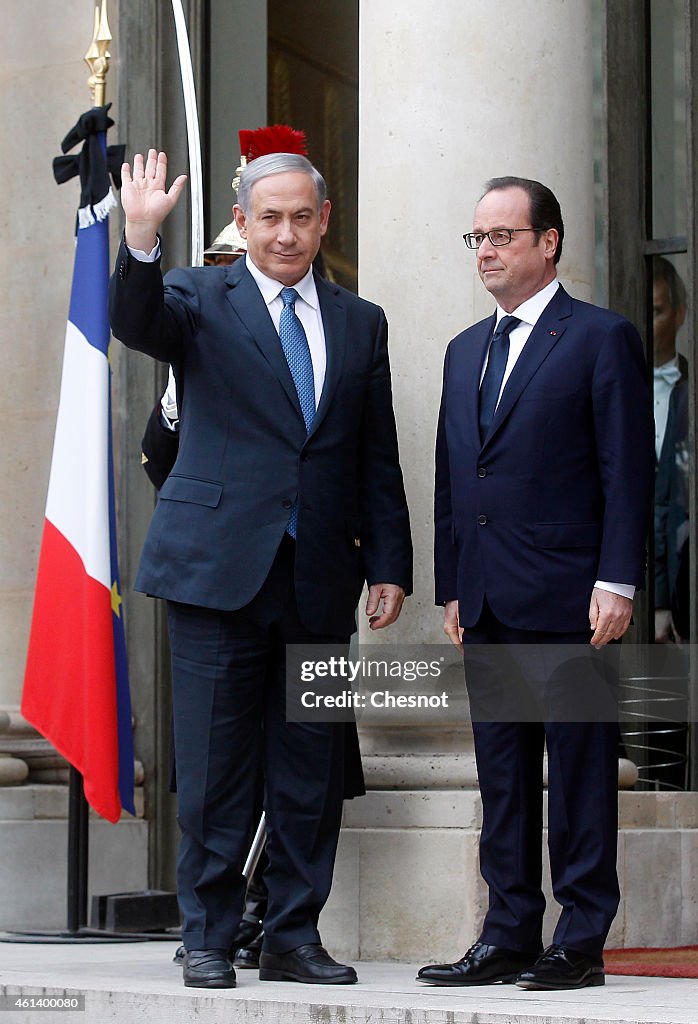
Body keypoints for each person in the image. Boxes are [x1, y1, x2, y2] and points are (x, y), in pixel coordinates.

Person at [109, 148, 412, 989]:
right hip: (216, 571)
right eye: (268, 217)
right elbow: (137, 324)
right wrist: (140, 240)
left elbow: (372, 452)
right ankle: (206, 934)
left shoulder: (361, 321)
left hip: (318, 574)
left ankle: (292, 935)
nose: (286, 232)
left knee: (308, 769)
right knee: (215, 769)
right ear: (241, 222)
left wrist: (389, 562)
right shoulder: (199, 297)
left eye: (301, 216)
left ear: (324, 221)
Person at [419, 176, 653, 991]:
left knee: (581, 772)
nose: (485, 251)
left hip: (572, 599)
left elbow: (629, 473)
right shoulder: (461, 349)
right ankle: (508, 931)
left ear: (547, 242)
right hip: (484, 600)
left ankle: (580, 938)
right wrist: (451, 584)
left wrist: (617, 581)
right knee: (504, 775)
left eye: (501, 236)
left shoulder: (600, 338)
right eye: (476, 238)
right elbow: (455, 477)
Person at [652, 256, 688, 644]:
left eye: (658, 311)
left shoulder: (691, 387)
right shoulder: (608, 389)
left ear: (680, 315)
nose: (646, 321)